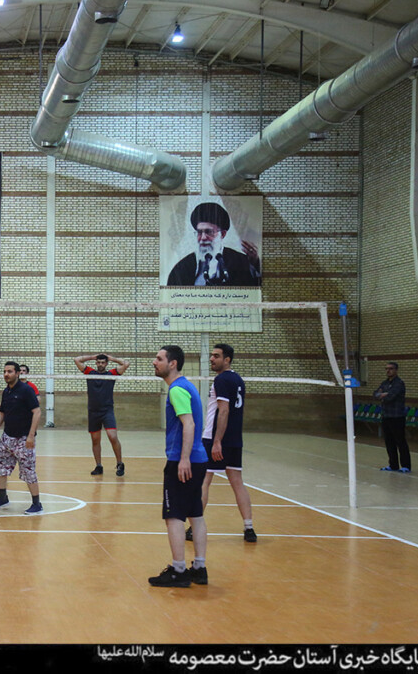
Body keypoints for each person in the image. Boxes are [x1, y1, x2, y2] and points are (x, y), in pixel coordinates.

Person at [148, 345, 209, 588]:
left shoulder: (177, 389)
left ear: (172, 364)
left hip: (183, 461)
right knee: (196, 514)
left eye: (159, 358)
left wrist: (183, 459)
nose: (154, 362)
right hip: (199, 459)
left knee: (173, 516)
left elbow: (189, 424)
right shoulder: (187, 386)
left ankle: (179, 570)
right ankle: (200, 568)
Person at [187, 344, 255, 543]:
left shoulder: (222, 379)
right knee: (237, 482)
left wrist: (217, 441)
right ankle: (249, 528)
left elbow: (223, 411)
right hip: (235, 439)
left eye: (216, 356)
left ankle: (193, 528)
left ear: (227, 359)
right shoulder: (238, 379)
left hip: (215, 438)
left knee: (203, 481)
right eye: (211, 355)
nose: (212, 359)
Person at [0, 362, 42, 515]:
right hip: (7, 437)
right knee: (0, 467)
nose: (6, 374)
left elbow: (37, 412)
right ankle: (3, 498)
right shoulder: (6, 391)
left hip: (23, 439)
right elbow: (2, 413)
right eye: (4, 371)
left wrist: (31, 436)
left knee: (28, 471)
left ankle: (37, 504)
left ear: (17, 373)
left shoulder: (26, 390)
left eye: (10, 371)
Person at [166, 202, 260, 287]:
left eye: (209, 232)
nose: (203, 238)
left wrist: (255, 264)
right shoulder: (182, 267)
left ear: (222, 234)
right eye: (199, 232)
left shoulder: (240, 262)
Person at [73, 353, 130, 477]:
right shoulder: (90, 372)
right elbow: (76, 360)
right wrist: (92, 357)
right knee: (95, 440)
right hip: (93, 411)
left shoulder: (111, 374)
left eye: (103, 362)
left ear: (106, 363)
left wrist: (112, 358)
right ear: (96, 363)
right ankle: (98, 466)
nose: (100, 364)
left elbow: (126, 364)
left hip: (107, 411)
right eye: (98, 362)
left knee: (112, 436)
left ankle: (120, 463)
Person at [375, 362, 411, 473]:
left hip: (397, 417)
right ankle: (393, 465)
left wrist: (384, 395)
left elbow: (391, 396)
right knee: (389, 442)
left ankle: (406, 466)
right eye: (386, 369)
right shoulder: (384, 383)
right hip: (386, 416)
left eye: (390, 368)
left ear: (396, 370)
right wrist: (382, 394)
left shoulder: (399, 383)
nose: (388, 371)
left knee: (400, 441)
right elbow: (375, 394)